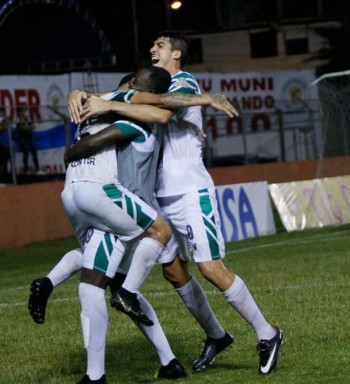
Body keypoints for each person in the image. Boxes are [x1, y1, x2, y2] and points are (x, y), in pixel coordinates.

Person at [72, 30, 284, 376]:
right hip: (159, 196)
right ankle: (216, 334)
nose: (152, 49)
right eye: (152, 45)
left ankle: (268, 332)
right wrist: (77, 93)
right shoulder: (147, 90)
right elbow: (106, 97)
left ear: (176, 55)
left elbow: (167, 110)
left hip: (189, 191)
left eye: (160, 45)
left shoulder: (182, 82)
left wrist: (114, 104)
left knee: (210, 268)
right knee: (173, 270)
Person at [55, 66, 178, 384]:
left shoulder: (132, 118)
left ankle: (96, 373)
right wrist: (77, 94)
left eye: (131, 82)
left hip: (117, 206)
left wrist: (71, 152)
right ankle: (168, 361)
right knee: (100, 284)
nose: (124, 84)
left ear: (136, 88)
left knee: (94, 286)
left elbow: (154, 109)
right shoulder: (119, 109)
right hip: (121, 210)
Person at [15, 106, 40, 175]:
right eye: (22, 111)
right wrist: (28, 128)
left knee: (34, 153)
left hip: (30, 138)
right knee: (26, 153)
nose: (23, 112)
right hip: (23, 139)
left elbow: (32, 126)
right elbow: (23, 128)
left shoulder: (26, 118)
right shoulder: (18, 120)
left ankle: (37, 169)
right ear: (19, 112)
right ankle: (26, 169)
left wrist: (28, 127)